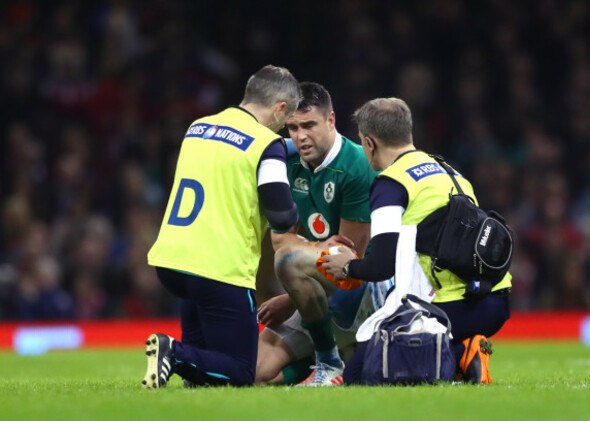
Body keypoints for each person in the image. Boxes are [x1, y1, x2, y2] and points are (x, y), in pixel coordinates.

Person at [323, 98, 512, 385]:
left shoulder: (390, 184)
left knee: (361, 374)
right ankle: (460, 351)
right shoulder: (448, 170)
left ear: (370, 143)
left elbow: (382, 265)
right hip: (495, 298)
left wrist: (347, 267)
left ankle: (462, 354)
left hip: (452, 306)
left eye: (361, 142)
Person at [142, 65, 301, 388]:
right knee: (242, 372)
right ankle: (172, 353)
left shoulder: (199, 127)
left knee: (206, 374)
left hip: (174, 260)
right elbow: (282, 215)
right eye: (287, 121)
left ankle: (185, 365)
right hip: (218, 267)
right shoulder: (267, 144)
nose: (284, 129)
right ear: (279, 109)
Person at [255, 82, 390, 386]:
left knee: (288, 261)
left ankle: (329, 359)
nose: (300, 136)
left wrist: (290, 299)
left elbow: (348, 259)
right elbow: (279, 238)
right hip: (314, 281)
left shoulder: (357, 164)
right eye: (292, 127)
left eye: (309, 125)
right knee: (256, 374)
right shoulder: (284, 162)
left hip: (361, 292)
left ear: (330, 121)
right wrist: (314, 248)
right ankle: (337, 361)